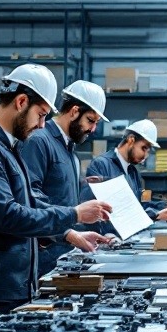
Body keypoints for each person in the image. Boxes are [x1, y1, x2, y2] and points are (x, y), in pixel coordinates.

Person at [0, 64, 112, 330]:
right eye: (40, 115)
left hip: (10, 285)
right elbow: (8, 215)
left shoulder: (6, 146)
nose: (41, 125)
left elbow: (28, 202)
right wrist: (74, 214)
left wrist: (70, 233)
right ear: (21, 101)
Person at [20, 80, 111, 276]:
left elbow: (59, 195)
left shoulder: (69, 149)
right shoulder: (39, 141)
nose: (93, 129)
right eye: (90, 120)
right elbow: (30, 199)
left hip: (62, 253)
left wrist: (75, 233)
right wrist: (67, 234)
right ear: (74, 111)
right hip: (41, 258)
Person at [79, 119, 167, 231]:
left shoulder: (133, 172)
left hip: (126, 239)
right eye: (144, 148)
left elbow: (141, 203)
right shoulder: (101, 165)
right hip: (105, 239)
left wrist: (162, 207)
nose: (145, 156)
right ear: (131, 140)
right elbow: (99, 210)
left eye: (148, 151)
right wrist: (154, 215)